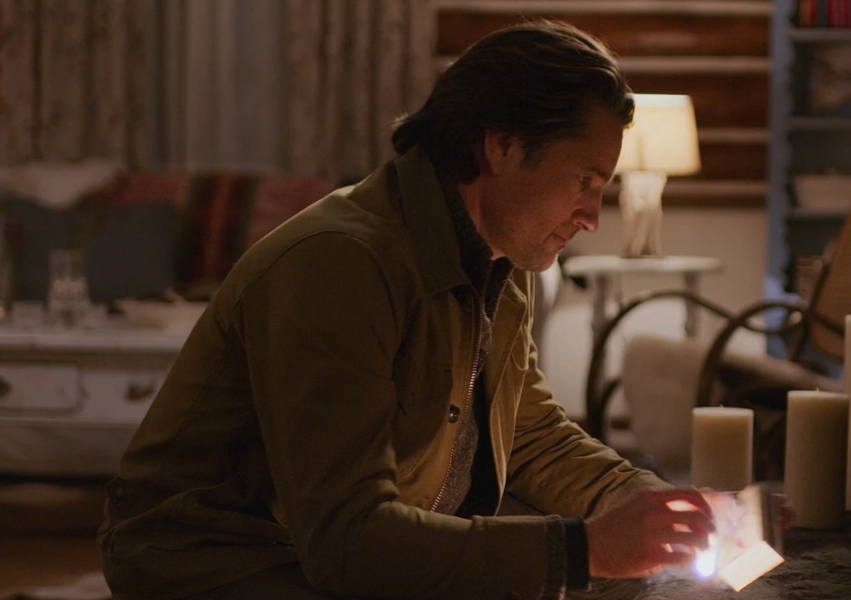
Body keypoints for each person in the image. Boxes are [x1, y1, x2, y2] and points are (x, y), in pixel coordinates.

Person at [98, 20, 715, 600]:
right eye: (584, 181)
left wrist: (649, 503)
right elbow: (346, 541)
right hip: (216, 561)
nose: (592, 217)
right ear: (502, 145)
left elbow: (529, 435)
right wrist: (584, 549)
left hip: (328, 551)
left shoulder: (499, 259)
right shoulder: (341, 264)